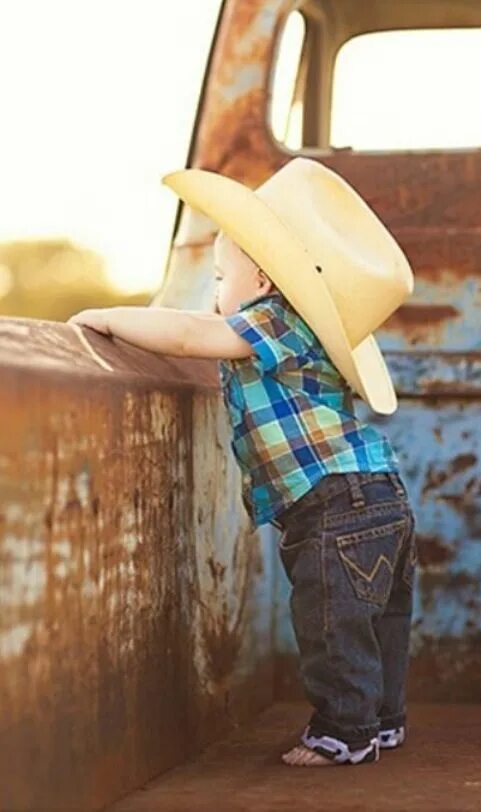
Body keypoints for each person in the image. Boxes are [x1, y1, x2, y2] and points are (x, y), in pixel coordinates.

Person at [68, 158, 418, 767]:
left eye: (220, 275)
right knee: (375, 621)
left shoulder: (277, 320)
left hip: (336, 501)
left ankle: (345, 732)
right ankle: (382, 720)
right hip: (375, 493)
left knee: (331, 620)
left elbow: (189, 336)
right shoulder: (293, 327)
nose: (214, 291)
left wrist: (106, 319)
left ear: (260, 281)